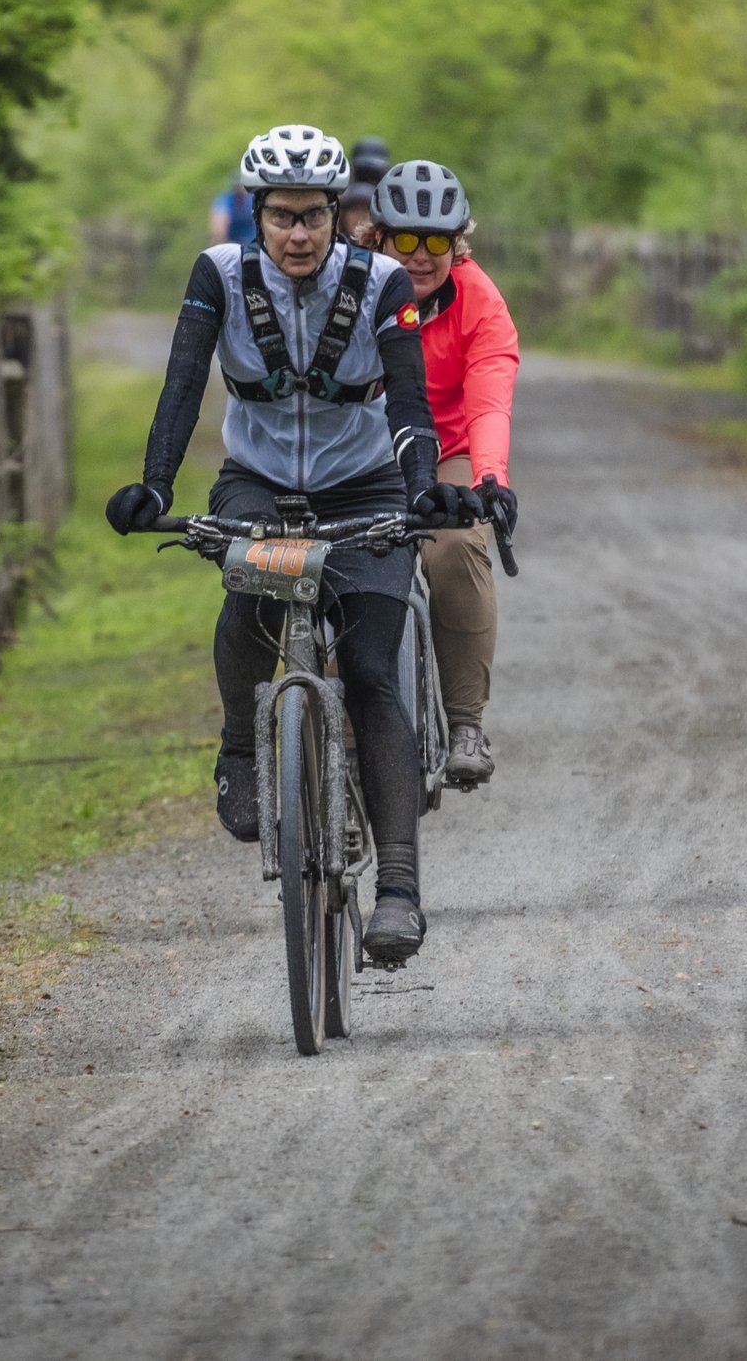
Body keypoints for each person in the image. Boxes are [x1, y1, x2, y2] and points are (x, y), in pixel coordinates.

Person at [105, 123, 477, 965]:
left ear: (339, 214)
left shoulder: (384, 282)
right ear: (255, 214)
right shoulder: (219, 276)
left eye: (315, 216)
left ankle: (398, 893)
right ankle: (242, 743)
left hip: (367, 486)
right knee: (248, 606)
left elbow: (411, 402)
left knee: (375, 671)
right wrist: (156, 485)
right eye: (281, 217)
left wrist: (422, 489)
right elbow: (182, 384)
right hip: (259, 484)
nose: (300, 234)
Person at [372, 159, 520, 785]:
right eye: (404, 239)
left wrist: (489, 479)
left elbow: (488, 397)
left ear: (457, 244)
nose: (419, 256)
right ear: (375, 237)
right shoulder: (351, 289)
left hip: (447, 447)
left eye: (436, 242)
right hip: (365, 449)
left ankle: (465, 722)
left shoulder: (480, 301)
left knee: (456, 544)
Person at [207, 168, 254, 247]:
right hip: (232, 244)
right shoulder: (224, 200)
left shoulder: (251, 198)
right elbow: (219, 225)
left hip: (253, 242)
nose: (238, 190)